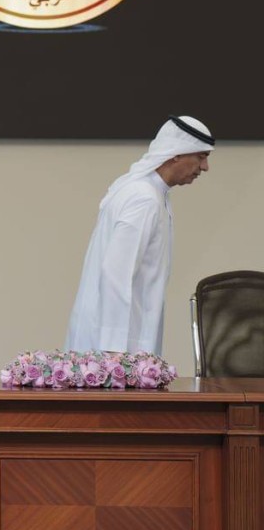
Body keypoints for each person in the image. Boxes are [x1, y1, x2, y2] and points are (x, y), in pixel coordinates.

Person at [64, 115, 214, 354]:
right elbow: (116, 274)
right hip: (114, 348)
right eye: (201, 156)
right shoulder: (143, 198)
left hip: (120, 342)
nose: (205, 167)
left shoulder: (149, 192)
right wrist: (113, 352)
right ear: (177, 153)